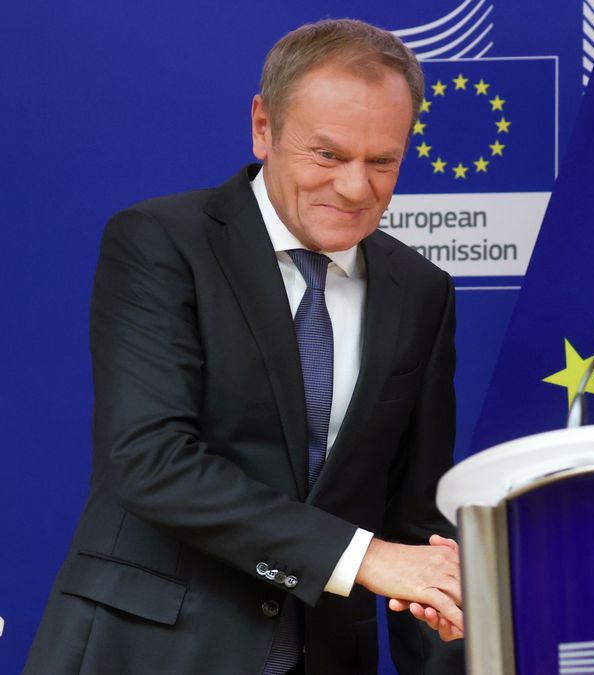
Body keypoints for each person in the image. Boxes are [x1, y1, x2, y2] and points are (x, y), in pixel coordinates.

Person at [25, 19, 465, 675]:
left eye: (383, 161)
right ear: (263, 126)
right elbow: (151, 460)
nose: (355, 187)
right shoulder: (160, 243)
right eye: (327, 155)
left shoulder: (421, 291)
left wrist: (456, 648)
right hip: (148, 648)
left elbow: (412, 519)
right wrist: (362, 557)